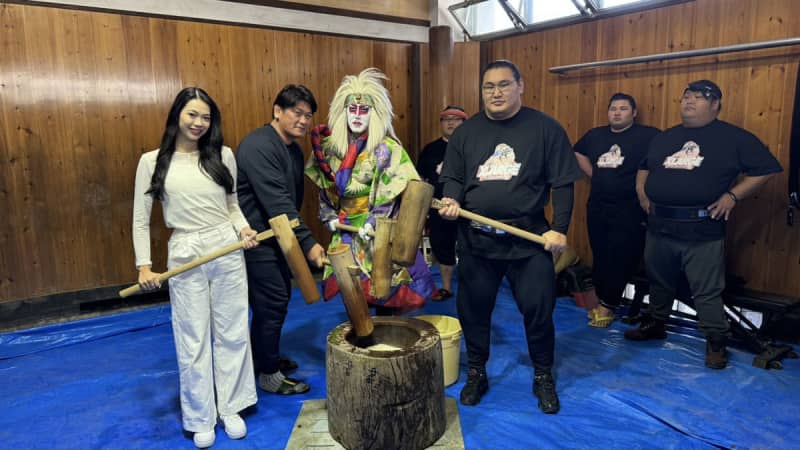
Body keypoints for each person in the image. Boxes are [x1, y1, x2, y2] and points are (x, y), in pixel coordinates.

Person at [438, 60, 583, 414]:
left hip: (528, 239)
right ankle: (476, 372)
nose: (496, 92)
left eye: (504, 85)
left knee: (539, 311)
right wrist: (452, 198)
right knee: (473, 312)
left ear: (521, 86)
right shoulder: (466, 133)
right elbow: (453, 178)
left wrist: (559, 228)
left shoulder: (545, 129)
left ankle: (543, 375)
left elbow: (563, 182)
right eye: (489, 87)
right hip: (476, 239)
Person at [626, 80, 782, 369]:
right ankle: (655, 324)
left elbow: (767, 169)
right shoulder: (665, 137)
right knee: (658, 281)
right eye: (686, 96)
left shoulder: (734, 138)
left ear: (715, 105)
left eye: (699, 97)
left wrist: (733, 196)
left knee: (706, 290)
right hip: (659, 225)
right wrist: (642, 192)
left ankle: (716, 340)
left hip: (702, 229)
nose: (690, 101)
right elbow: (645, 166)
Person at [133, 87, 257, 448]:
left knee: (232, 329)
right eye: (192, 115)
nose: (199, 123)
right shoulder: (152, 161)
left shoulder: (224, 155)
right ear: (177, 116)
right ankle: (201, 415)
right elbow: (141, 220)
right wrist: (145, 266)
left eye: (206, 117)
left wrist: (244, 229)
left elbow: (232, 206)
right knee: (192, 336)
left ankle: (231, 406)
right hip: (185, 250)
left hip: (227, 248)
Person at [305, 68, 434, 314]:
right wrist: (329, 217)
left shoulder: (386, 149)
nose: (357, 115)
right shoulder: (330, 148)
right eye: (352, 109)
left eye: (363, 110)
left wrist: (375, 221)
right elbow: (326, 189)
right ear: (342, 112)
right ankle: (362, 338)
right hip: (345, 229)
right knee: (353, 295)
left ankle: (389, 340)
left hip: (379, 230)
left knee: (385, 289)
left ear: (374, 114)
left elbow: (391, 192)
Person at [236, 84, 326, 395]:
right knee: (272, 303)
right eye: (295, 112)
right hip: (257, 239)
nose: (303, 120)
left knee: (272, 304)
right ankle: (268, 374)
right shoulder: (259, 145)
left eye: (308, 115)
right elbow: (278, 203)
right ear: (277, 110)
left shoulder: (292, 148)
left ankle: (263, 358)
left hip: (279, 237)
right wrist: (309, 243)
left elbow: (293, 200)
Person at [573, 93, 660, 327]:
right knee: (601, 254)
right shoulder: (595, 135)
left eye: (623, 108)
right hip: (598, 206)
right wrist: (594, 174)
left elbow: (663, 156)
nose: (617, 112)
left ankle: (609, 305)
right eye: (613, 108)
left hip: (630, 208)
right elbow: (577, 152)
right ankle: (602, 301)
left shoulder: (648, 135)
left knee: (622, 256)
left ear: (633, 113)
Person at [416, 105, 467, 301]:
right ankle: (446, 288)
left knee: (470, 247)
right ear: (441, 123)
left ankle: (473, 289)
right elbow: (420, 179)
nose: (451, 122)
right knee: (441, 245)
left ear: (464, 123)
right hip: (438, 208)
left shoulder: (472, 147)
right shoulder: (430, 150)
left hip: (467, 209)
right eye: (447, 119)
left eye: (456, 119)